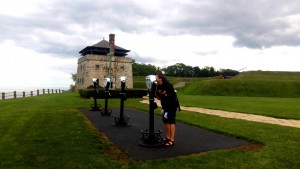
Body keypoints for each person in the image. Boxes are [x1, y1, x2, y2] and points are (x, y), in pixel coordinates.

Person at [156, 72, 179, 147]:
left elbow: (170, 96)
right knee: (165, 121)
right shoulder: (158, 86)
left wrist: (163, 95)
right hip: (165, 105)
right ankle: (167, 137)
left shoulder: (168, 85)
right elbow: (159, 97)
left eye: (156, 77)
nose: (155, 78)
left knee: (171, 121)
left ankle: (172, 140)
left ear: (160, 78)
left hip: (172, 105)